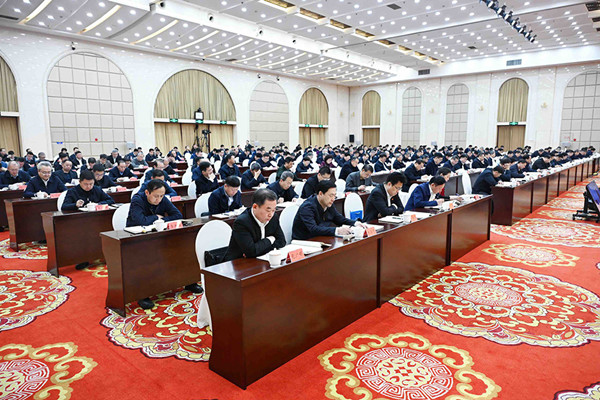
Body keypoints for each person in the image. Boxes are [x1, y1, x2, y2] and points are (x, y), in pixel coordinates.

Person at [127, 179, 199, 310]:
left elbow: (177, 215)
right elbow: (139, 220)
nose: (159, 199)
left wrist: (163, 219)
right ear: (147, 192)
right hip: (137, 239)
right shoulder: (137, 200)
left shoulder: (162, 199)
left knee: (182, 248)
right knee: (146, 261)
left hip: (158, 236)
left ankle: (188, 281)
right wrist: (156, 218)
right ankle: (142, 294)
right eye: (156, 196)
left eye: (161, 196)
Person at [223, 189, 287, 261]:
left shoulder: (273, 217)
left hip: (261, 259)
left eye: (273, 210)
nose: (271, 214)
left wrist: (258, 249)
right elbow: (251, 251)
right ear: (255, 207)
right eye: (268, 210)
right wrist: (270, 239)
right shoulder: (241, 222)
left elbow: (282, 242)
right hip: (238, 262)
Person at [292, 179, 365, 240]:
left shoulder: (328, 203)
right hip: (305, 241)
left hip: (320, 238)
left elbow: (338, 218)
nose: (333, 199)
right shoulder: (307, 207)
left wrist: (355, 223)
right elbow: (313, 229)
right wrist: (337, 230)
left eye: (334, 196)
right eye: (331, 195)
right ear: (320, 194)